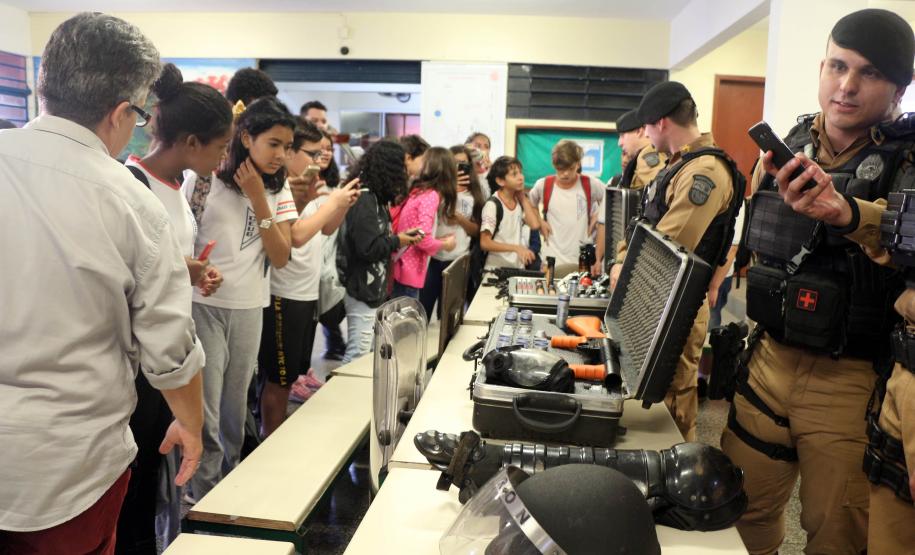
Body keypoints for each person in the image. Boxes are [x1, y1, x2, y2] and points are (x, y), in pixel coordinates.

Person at [0, 13, 204, 553]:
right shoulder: (131, 201)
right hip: (66, 467)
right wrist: (190, 423)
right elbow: (169, 347)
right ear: (120, 113)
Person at [720, 10, 915, 554]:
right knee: (736, 516)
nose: (846, 86)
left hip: (851, 379)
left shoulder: (907, 159)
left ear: (900, 88)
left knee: (838, 534)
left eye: (869, 73)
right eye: (837, 66)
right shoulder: (788, 143)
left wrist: (848, 214)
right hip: (768, 361)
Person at [118, 62, 231, 555]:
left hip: (168, 350)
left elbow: (167, 263)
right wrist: (180, 269)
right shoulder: (131, 185)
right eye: (221, 146)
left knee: (157, 471)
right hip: (141, 361)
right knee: (138, 474)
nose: (224, 157)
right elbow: (131, 272)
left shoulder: (177, 187)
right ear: (190, 141)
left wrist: (194, 272)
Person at [610, 81, 743, 442]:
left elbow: (665, 249)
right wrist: (620, 261)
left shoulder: (705, 172)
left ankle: (680, 470)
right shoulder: (680, 164)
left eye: (646, 126)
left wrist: (624, 270)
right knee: (653, 404)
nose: (645, 134)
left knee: (673, 407)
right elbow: (643, 223)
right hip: (657, 302)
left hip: (676, 309)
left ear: (662, 122)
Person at [184, 96, 300, 501]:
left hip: (251, 306)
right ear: (246, 137)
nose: (281, 155)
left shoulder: (277, 185)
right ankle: (201, 494)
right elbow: (183, 243)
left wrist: (257, 196)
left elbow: (281, 256)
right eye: (274, 144)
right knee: (207, 406)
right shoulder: (204, 178)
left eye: (287, 146)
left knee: (235, 407)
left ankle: (229, 485)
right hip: (205, 306)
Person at [257, 119, 359, 437]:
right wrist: (332, 203)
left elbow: (325, 228)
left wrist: (341, 204)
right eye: (312, 153)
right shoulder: (280, 188)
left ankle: (275, 436)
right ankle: (270, 442)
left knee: (291, 376)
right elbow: (297, 236)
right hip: (283, 293)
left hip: (305, 292)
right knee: (279, 378)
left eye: (322, 152)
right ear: (290, 152)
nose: (319, 159)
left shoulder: (309, 185)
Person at [336, 141, 423, 363]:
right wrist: (398, 240)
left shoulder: (375, 198)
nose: (406, 172)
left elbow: (374, 239)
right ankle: (342, 386)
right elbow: (368, 248)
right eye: (402, 166)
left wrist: (398, 238)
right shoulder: (365, 199)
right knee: (357, 353)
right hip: (361, 288)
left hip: (371, 287)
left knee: (365, 351)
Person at [594, 109, 668, 273]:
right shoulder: (642, 158)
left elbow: (660, 201)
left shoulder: (649, 157)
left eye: (623, 135)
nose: (620, 143)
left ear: (639, 131)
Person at [420, 145, 485, 316]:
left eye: (463, 163)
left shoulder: (474, 194)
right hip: (432, 258)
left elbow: (476, 231)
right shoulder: (436, 191)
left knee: (449, 314)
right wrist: (449, 190)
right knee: (423, 308)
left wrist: (461, 219)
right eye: (455, 163)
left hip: (458, 259)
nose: (459, 168)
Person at [391, 146, 458, 299]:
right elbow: (422, 239)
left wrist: (438, 240)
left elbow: (417, 232)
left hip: (401, 267)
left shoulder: (419, 192)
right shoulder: (431, 196)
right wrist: (446, 245)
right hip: (409, 272)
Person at [528, 140, 605, 269]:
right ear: (554, 165)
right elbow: (530, 204)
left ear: (578, 164)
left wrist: (598, 215)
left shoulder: (590, 184)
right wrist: (540, 221)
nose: (566, 174)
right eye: (561, 169)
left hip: (582, 261)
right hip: (551, 259)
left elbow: (611, 197)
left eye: (571, 168)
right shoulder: (543, 185)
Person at [480, 156, 542, 269]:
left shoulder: (519, 200)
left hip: (517, 268)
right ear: (500, 181)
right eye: (514, 174)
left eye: (520, 173)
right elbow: (485, 243)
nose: (521, 177)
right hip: (496, 270)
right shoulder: (493, 205)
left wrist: (523, 199)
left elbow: (534, 225)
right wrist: (516, 248)